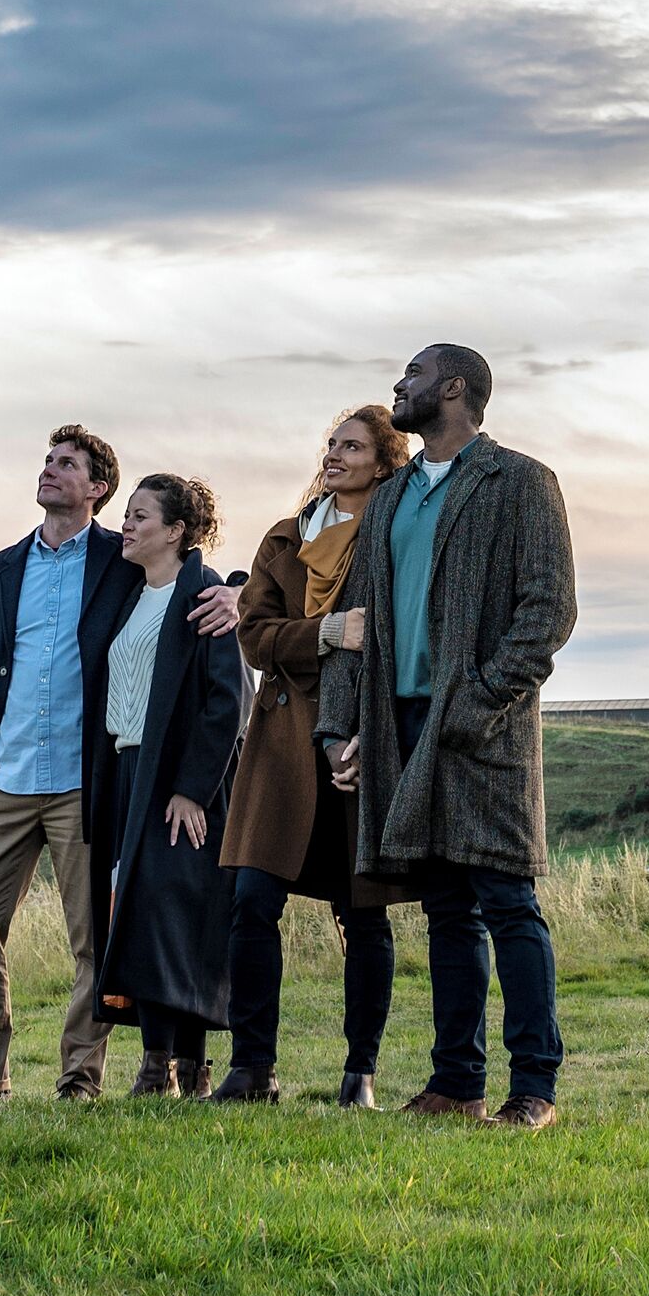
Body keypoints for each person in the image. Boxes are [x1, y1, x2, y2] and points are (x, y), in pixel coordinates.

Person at [317, 343, 578, 1129]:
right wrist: (338, 726)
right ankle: (457, 1081)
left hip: (482, 729)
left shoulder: (522, 481)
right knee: (446, 910)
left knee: (508, 901)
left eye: (415, 374)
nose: (399, 385)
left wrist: (478, 702)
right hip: (397, 728)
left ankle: (533, 1087)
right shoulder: (391, 496)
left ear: (455, 386)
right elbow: (358, 620)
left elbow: (548, 611)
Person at [0, 425, 237, 1100]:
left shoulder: (121, 557)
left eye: (67, 463)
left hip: (87, 780)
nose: (49, 469)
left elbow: (188, 575)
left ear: (96, 488)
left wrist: (238, 593)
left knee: (94, 938)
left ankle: (80, 1078)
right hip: (2, 776)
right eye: (47, 460)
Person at [210, 403, 418, 1104]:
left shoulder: (399, 537)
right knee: (251, 899)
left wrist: (369, 727)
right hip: (280, 743)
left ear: (384, 464)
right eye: (331, 443)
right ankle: (252, 1068)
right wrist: (327, 632)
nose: (334, 454)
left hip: (364, 740)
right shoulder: (287, 536)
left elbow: (407, 634)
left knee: (363, 913)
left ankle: (360, 1074)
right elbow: (254, 636)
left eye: (352, 446)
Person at [83, 471, 248, 1095]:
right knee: (141, 914)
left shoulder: (204, 594)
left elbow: (227, 701)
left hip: (181, 782)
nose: (126, 525)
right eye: (127, 514)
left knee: (173, 919)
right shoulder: (130, 597)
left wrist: (191, 788)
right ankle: (169, 1065)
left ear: (177, 531)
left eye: (140, 516)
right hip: (127, 774)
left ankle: (173, 1066)